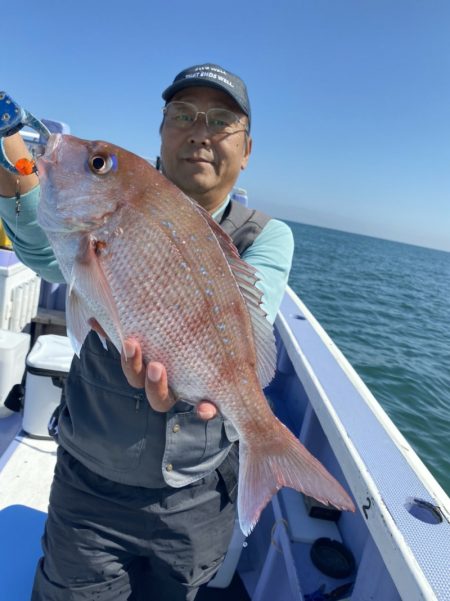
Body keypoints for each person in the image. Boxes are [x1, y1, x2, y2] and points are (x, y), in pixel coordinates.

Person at [0, 63, 294, 601]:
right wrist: (13, 169)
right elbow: (47, 252)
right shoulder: (107, 215)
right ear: (160, 131)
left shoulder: (267, 238)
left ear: (246, 148)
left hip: (196, 499)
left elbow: (253, 326)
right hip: (88, 487)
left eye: (220, 121)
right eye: (183, 115)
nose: (199, 131)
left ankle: (265, 446)